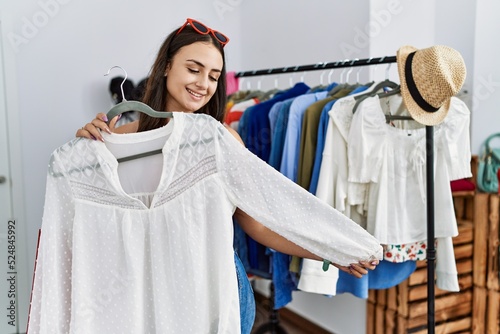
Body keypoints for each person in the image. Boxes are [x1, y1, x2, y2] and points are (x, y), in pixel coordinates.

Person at [74, 18, 380, 333]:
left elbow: (258, 225)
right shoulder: (120, 140)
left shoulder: (222, 142)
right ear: (166, 66)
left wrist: (330, 249)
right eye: (193, 69)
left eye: (213, 76)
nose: (203, 84)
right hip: (149, 288)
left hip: (217, 291)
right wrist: (86, 147)